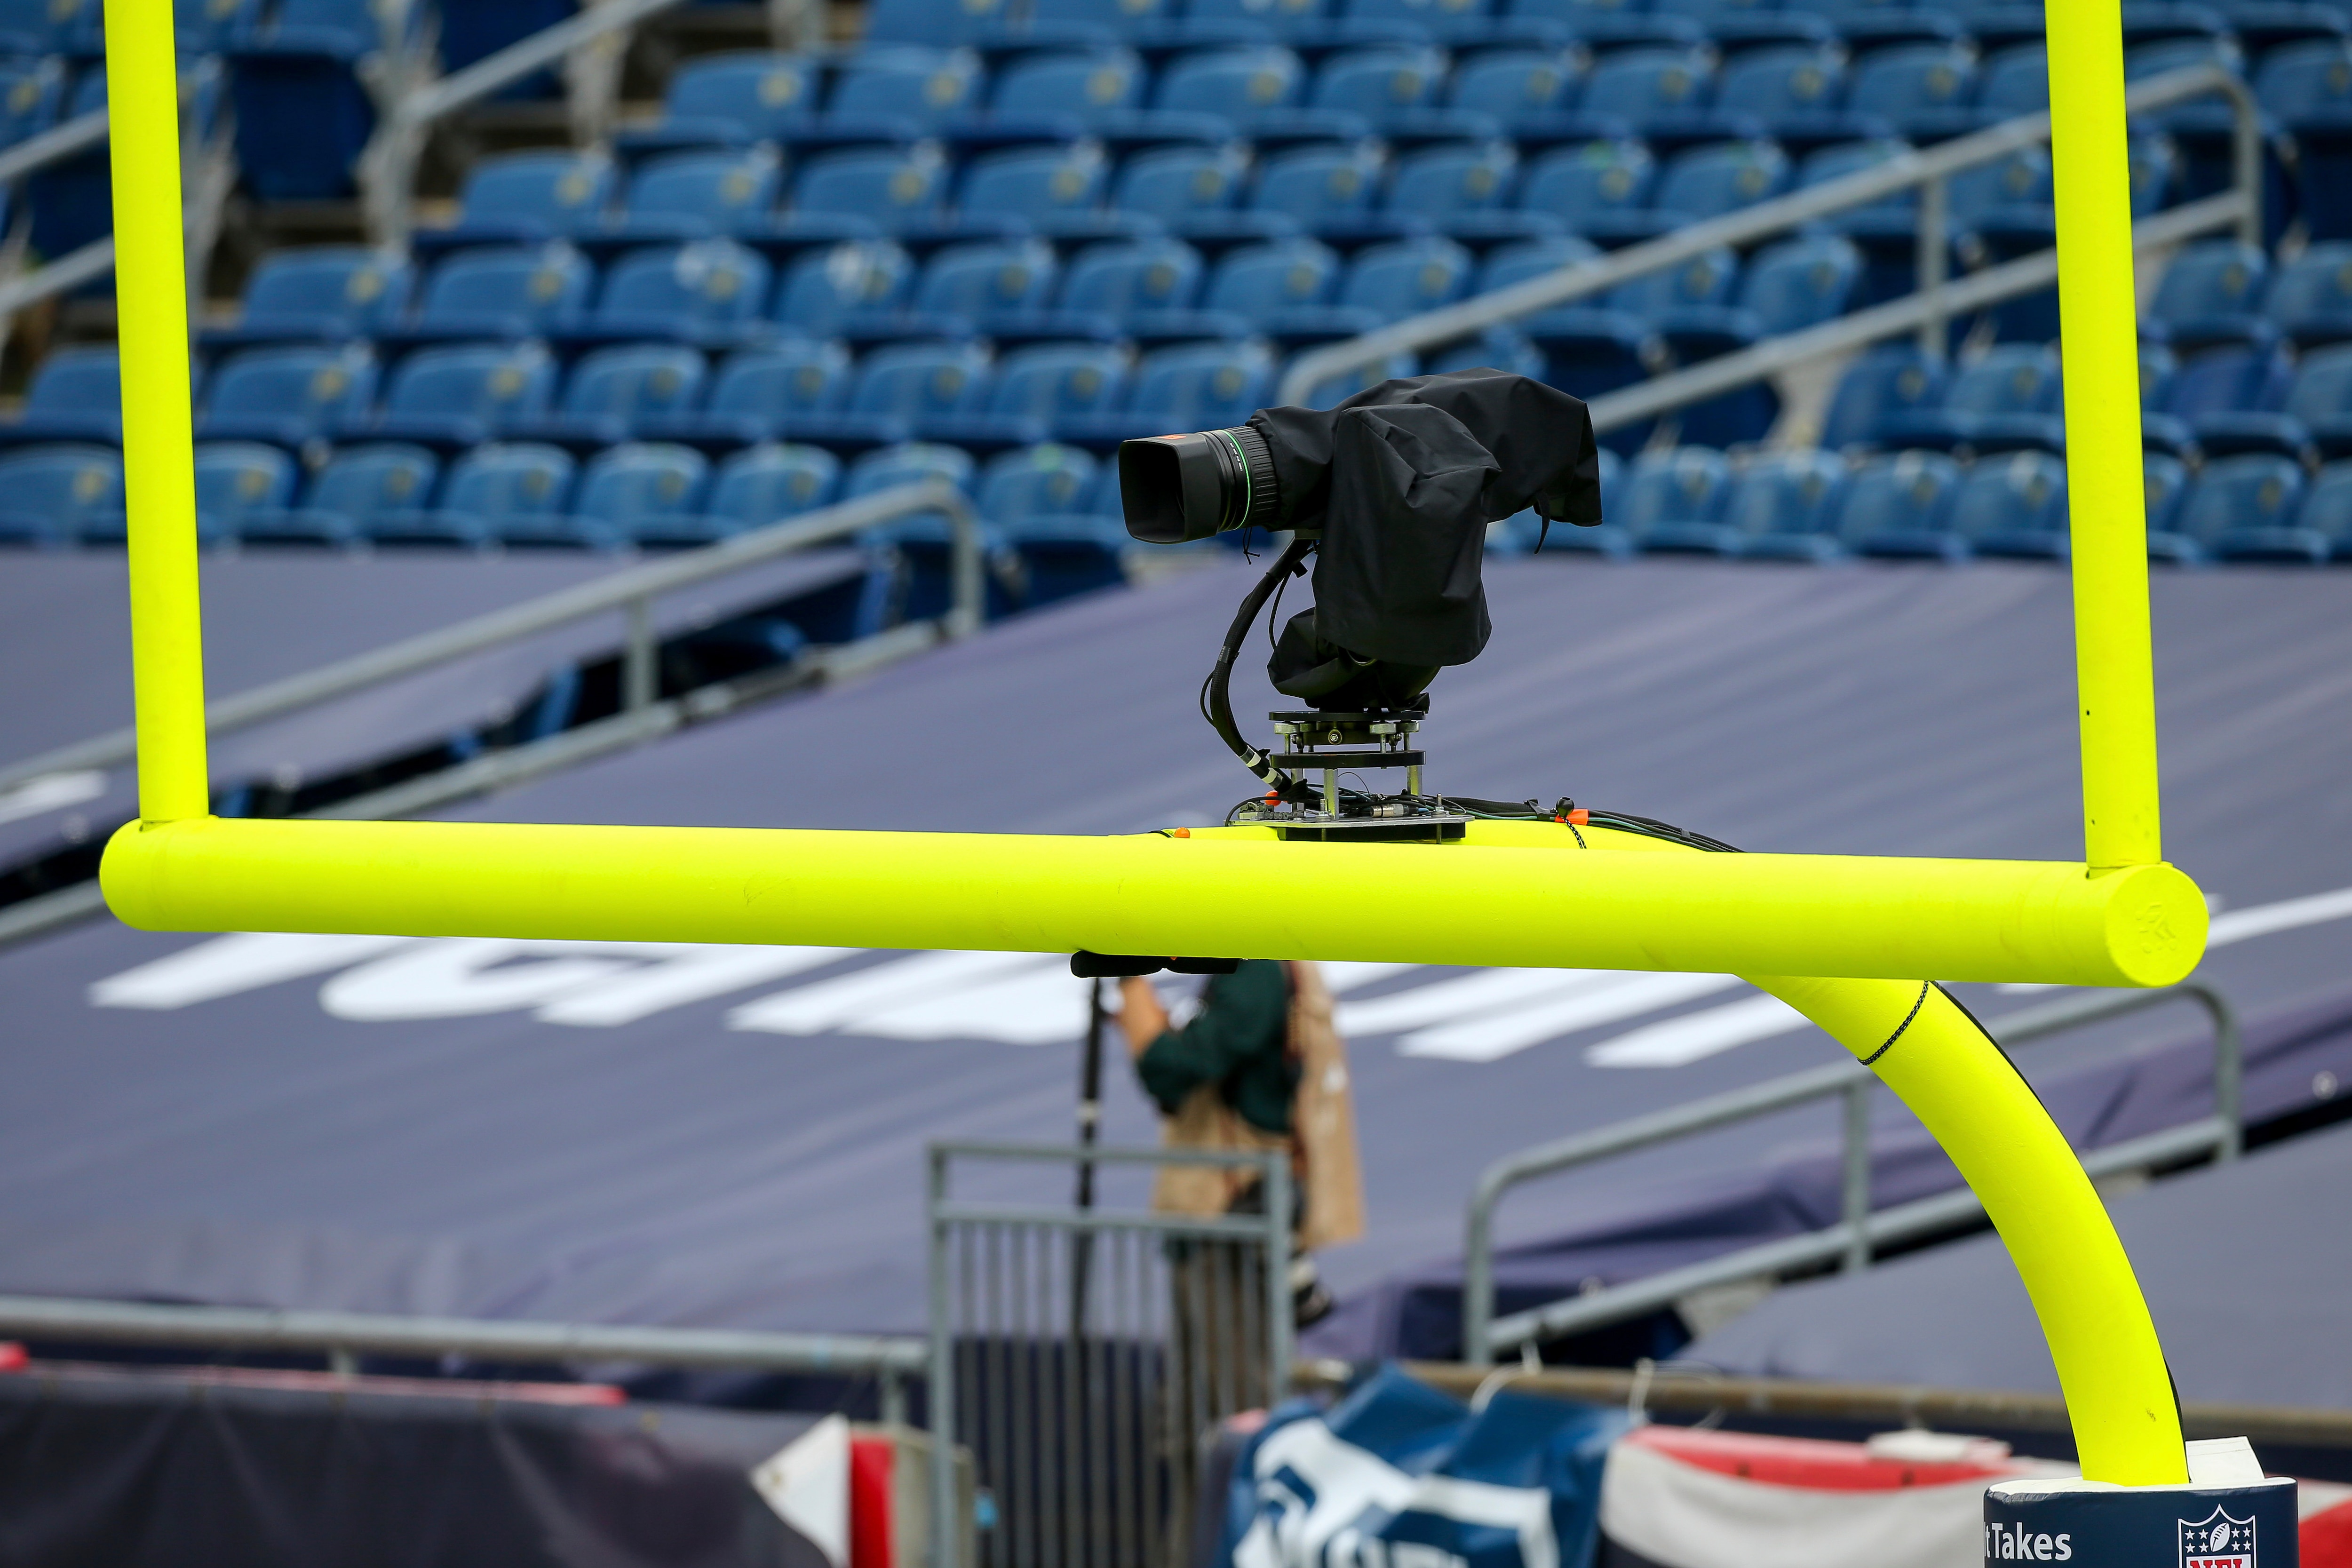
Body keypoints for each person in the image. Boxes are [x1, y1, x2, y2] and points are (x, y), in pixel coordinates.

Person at [1114, 959, 1364, 1332]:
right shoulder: (1265, 963)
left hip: (1229, 1203)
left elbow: (1168, 1068)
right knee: (1213, 1372)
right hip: (1224, 1202)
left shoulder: (1260, 968)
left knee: (1232, 1372)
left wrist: (1130, 982)